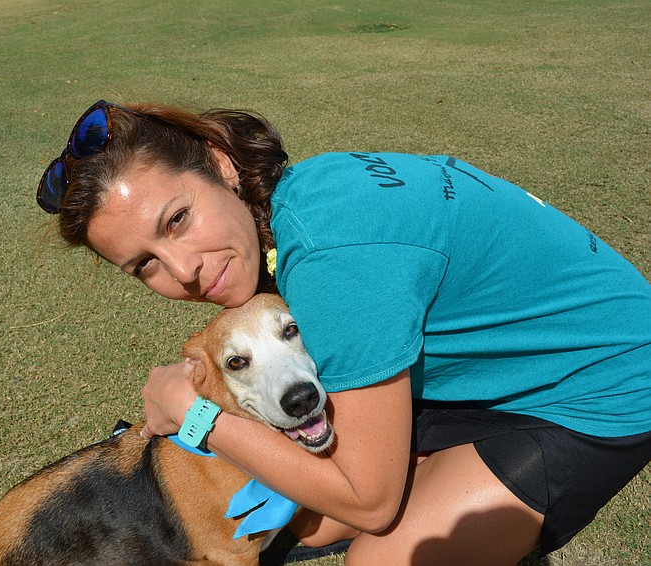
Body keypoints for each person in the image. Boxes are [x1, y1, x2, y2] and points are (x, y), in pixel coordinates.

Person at [36, 99, 651, 565]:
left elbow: (369, 501)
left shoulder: (335, 257)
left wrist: (196, 417)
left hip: (604, 387)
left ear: (221, 166)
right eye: (144, 263)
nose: (183, 270)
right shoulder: (299, 200)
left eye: (177, 220)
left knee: (379, 550)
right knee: (295, 523)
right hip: (508, 372)